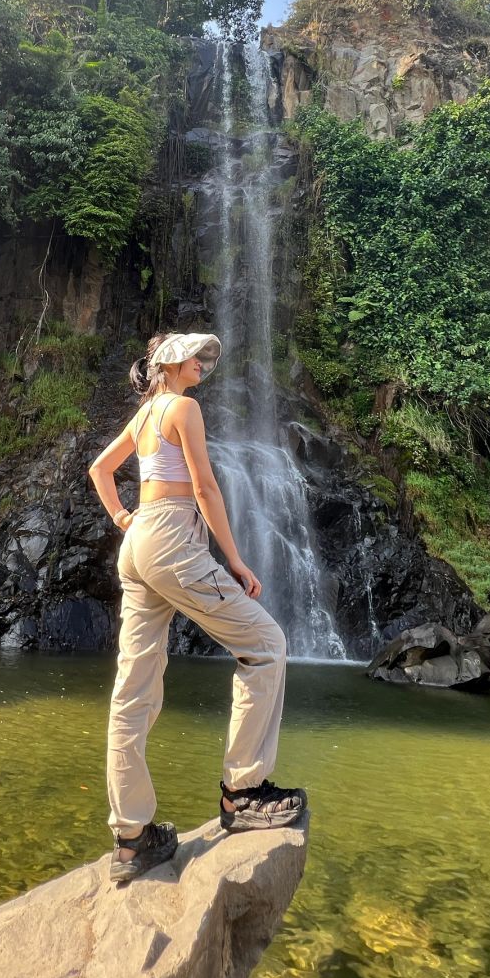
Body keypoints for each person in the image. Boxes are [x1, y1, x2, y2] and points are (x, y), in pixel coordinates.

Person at [88, 331, 306, 885]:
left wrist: (121, 519)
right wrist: (234, 560)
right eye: (196, 358)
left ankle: (131, 838)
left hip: (138, 548)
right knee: (266, 646)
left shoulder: (144, 416)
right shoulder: (182, 407)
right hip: (174, 541)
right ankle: (244, 793)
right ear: (173, 364)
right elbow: (207, 488)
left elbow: (100, 470)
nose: (203, 365)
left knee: (133, 691)